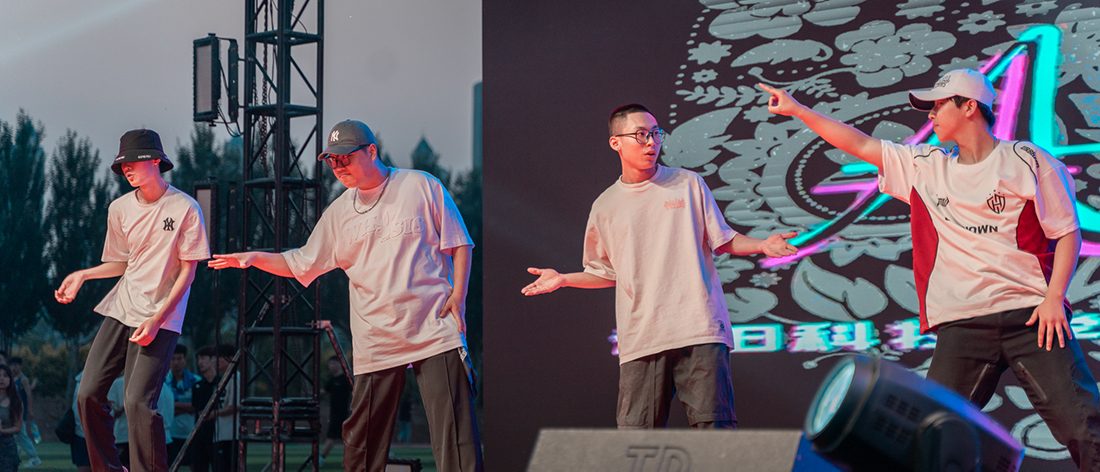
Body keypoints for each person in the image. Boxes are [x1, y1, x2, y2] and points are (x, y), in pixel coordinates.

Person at [759, 69, 1100, 469]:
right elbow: (860, 144)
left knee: (1084, 426)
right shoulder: (925, 166)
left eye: (938, 105)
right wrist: (799, 111)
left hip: (1032, 317)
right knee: (928, 438)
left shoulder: (1027, 159)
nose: (931, 115)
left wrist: (1054, 298)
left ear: (970, 107)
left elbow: (1066, 232)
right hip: (962, 324)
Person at [210, 119, 483, 471]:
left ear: (372, 151)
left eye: (345, 158)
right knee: (362, 444)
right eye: (332, 161)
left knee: (455, 435)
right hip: (377, 339)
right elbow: (301, 262)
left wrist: (458, 296)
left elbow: (459, 243)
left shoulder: (420, 185)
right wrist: (255, 258)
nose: (338, 167)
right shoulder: (338, 213)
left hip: (433, 327)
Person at [522, 103, 799, 429]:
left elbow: (723, 239)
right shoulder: (605, 206)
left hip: (700, 329)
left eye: (655, 134)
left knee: (715, 435)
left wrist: (762, 245)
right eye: (641, 135)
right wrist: (564, 279)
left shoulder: (688, 183)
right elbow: (604, 272)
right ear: (616, 142)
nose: (651, 142)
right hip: (642, 338)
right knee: (637, 440)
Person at [55, 128, 210, 472]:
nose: (126, 168)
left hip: (161, 317)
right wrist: (83, 275)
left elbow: (188, 272)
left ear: (155, 161)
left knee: (138, 402)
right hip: (121, 309)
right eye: (122, 164)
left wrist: (157, 319)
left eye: (133, 162)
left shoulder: (185, 207)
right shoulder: (120, 208)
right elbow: (121, 263)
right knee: (87, 393)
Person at [165, 344, 201, 466]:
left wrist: (175, 406)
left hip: (192, 431)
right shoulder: (163, 381)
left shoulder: (196, 381)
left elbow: (198, 406)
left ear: (184, 360)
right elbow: (164, 408)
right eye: (173, 359)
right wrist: (189, 407)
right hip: (171, 434)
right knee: (170, 466)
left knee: (195, 465)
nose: (176, 362)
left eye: (179, 358)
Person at [190, 346, 220, 472]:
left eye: (203, 358)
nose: (200, 362)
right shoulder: (197, 386)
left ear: (212, 359)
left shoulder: (222, 382)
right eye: (198, 359)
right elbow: (195, 407)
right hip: (200, 435)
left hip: (217, 433)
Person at [8, 357, 39, 467]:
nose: (13, 367)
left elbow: (28, 395)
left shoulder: (23, 379)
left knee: (21, 434)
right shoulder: (13, 378)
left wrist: (30, 410)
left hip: (20, 411)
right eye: (12, 365)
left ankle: (34, 457)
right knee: (16, 435)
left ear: (20, 365)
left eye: (15, 365)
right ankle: (17, 452)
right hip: (13, 411)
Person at [321, 356, 351, 466]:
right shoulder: (332, 380)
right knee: (336, 437)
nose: (331, 366)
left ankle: (321, 458)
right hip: (334, 414)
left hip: (343, 414)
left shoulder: (346, 379)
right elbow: (323, 391)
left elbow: (354, 393)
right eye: (330, 364)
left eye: (334, 363)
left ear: (339, 364)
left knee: (335, 437)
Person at [212, 344, 238, 472]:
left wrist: (212, 414)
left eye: (219, 357)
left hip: (230, 433)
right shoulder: (224, 378)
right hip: (222, 432)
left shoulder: (235, 378)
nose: (215, 360)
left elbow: (235, 406)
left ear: (230, 358)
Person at [0, 365, 22, 472]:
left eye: (5, 376)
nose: (1, 379)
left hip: (7, 447)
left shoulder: (15, 401)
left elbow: (18, 427)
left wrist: (2, 431)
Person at [69, 371, 91, 472]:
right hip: (84, 433)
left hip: (84, 432)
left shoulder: (81, 384)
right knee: (85, 466)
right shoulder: (85, 384)